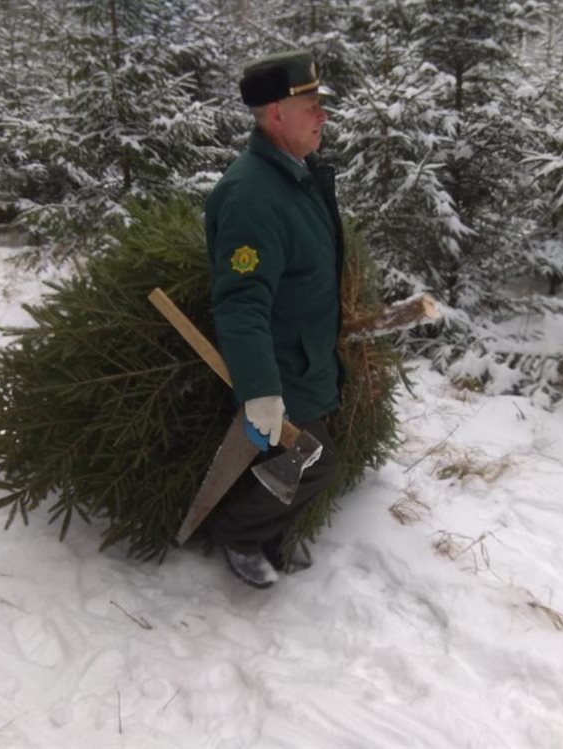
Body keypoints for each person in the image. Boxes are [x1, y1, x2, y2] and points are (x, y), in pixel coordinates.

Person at [203, 50, 344, 589]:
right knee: (316, 461)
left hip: (308, 354)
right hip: (282, 362)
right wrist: (260, 390)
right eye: (311, 105)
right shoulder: (252, 196)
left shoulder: (294, 175)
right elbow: (241, 301)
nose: (322, 116)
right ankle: (238, 534)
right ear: (275, 114)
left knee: (305, 457)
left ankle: (267, 535)